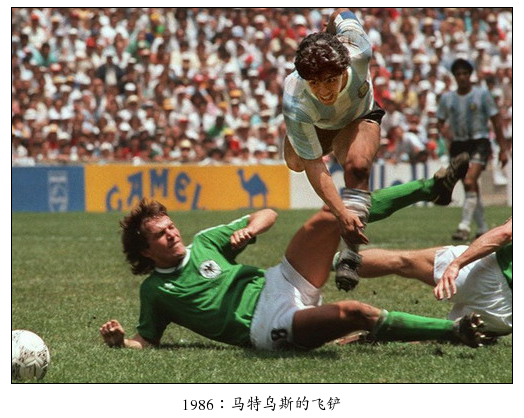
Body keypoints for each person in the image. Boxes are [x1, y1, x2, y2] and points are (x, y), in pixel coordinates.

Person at [100, 158, 488, 351]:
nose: (172, 234)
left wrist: (252, 229)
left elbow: (268, 213)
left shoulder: (204, 241)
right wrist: (121, 342)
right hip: (266, 324)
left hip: (280, 281)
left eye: (170, 226)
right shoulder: (156, 292)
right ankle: (455, 331)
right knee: (354, 312)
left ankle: (430, 188)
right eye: (161, 235)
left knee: (331, 214)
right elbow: (146, 340)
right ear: (145, 251)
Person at [282, 9, 388, 292]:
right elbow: (315, 165)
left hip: (359, 115)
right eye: (314, 83)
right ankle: (299, 135)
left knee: (358, 167)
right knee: (296, 162)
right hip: (318, 124)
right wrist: (341, 213)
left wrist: (328, 34)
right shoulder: (295, 98)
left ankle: (350, 255)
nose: (324, 91)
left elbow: (341, 12)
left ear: (344, 67)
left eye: (330, 79)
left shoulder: (359, 50)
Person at [357, 218, 512, 337]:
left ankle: (341, 264)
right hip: (503, 315)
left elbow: (505, 233)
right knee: (442, 334)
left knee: (403, 262)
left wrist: (456, 264)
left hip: (484, 272)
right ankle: (376, 337)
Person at [437, 58, 508, 242]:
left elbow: (496, 121)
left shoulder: (482, 95)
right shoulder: (447, 98)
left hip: (479, 142)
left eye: (465, 73)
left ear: (470, 75)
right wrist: (445, 131)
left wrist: (503, 148)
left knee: (469, 181)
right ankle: (482, 227)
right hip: (459, 144)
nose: (462, 77)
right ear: (454, 77)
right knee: (471, 186)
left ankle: (464, 226)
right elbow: (440, 121)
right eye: (458, 74)